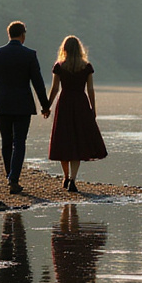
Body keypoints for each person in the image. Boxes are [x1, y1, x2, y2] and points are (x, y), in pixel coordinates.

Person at [0, 21, 51, 194]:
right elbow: (38, 83)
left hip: (2, 104)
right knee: (19, 142)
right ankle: (13, 178)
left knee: (6, 142)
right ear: (23, 35)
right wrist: (45, 105)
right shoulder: (29, 55)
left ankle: (10, 176)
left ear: (9, 34)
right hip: (23, 105)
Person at [46, 35, 107, 192]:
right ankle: (73, 179)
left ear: (64, 49)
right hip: (80, 103)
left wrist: (47, 106)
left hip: (65, 103)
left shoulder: (60, 66)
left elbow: (54, 89)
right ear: (80, 49)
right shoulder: (86, 67)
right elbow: (90, 89)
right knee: (77, 142)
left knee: (64, 140)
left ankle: (65, 177)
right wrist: (93, 109)